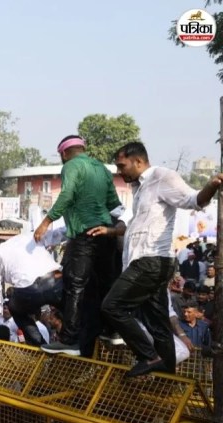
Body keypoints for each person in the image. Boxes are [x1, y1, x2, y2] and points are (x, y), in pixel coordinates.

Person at [102, 142, 222, 377]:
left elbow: (193, 200)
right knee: (158, 324)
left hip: (151, 261)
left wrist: (211, 186)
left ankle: (149, 356)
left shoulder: (162, 177)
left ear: (138, 161)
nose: (119, 171)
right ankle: (166, 372)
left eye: (121, 165)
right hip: (147, 262)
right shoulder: (140, 188)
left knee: (111, 306)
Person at [34, 135, 121, 356]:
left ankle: (69, 339)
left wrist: (46, 222)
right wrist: (117, 229)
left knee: (74, 286)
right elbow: (114, 204)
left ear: (63, 153)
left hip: (85, 234)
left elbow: (67, 194)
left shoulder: (71, 166)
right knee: (104, 285)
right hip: (107, 233)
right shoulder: (101, 167)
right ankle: (112, 330)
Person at [0, 235, 64, 347]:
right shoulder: (25, 238)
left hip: (31, 289)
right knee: (70, 308)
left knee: (14, 307)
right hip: (56, 280)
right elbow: (57, 233)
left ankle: (39, 345)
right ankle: (73, 341)